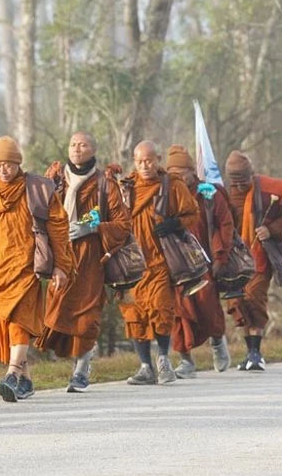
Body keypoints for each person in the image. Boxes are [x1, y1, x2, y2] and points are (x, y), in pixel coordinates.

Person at [0, 136, 74, 402]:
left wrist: (61, 266)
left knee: (20, 317)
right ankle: (25, 380)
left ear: (18, 163)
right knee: (8, 321)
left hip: (27, 264)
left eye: (8, 164)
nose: (3, 170)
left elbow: (58, 228)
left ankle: (11, 374)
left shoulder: (37, 189)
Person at [36, 132, 131, 392]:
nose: (77, 149)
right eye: (73, 144)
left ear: (93, 150)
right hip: (61, 255)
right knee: (57, 311)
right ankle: (76, 360)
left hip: (91, 258)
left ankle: (82, 368)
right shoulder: (56, 179)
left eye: (83, 145)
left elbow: (123, 225)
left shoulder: (105, 184)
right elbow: (39, 211)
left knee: (87, 314)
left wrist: (93, 228)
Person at [119, 141, 199, 385]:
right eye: (140, 162)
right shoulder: (126, 188)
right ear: (134, 162)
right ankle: (145, 367)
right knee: (133, 313)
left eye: (149, 161)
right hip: (132, 263)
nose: (145, 166)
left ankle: (163, 358)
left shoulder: (172, 185)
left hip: (160, 260)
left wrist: (175, 223)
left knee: (161, 309)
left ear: (158, 160)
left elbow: (192, 214)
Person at [165, 146, 233, 377]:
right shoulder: (166, 195)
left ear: (192, 171)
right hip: (176, 263)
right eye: (172, 173)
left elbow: (225, 224)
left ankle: (218, 342)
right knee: (179, 311)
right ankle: (185, 360)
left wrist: (220, 255)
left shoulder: (208, 194)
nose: (177, 178)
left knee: (207, 306)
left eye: (181, 172)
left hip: (204, 261)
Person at [224, 150, 282, 371]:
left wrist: (270, 229)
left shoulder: (270, 190)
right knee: (239, 302)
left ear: (251, 174)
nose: (240, 186)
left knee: (254, 298)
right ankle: (250, 352)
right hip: (234, 260)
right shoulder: (225, 194)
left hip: (259, 256)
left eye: (243, 181)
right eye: (235, 182)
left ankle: (256, 352)